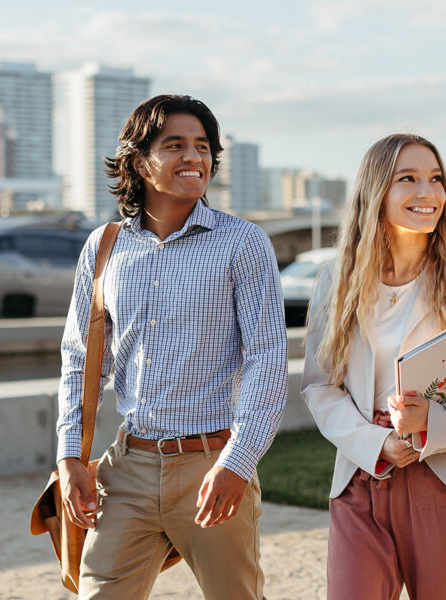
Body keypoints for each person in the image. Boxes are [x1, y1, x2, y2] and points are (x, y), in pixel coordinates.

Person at [55, 94, 288, 599]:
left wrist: (239, 460)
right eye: (175, 145)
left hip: (213, 464)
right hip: (128, 468)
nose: (195, 157)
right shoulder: (103, 247)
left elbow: (267, 357)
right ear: (139, 162)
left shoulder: (242, 243)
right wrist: (70, 455)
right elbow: (79, 358)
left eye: (203, 147)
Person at [302, 133, 446, 600]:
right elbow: (320, 387)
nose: (428, 192)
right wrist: (376, 442)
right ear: (376, 191)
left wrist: (432, 425)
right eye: (409, 179)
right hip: (362, 477)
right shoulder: (335, 279)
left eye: (436, 179)